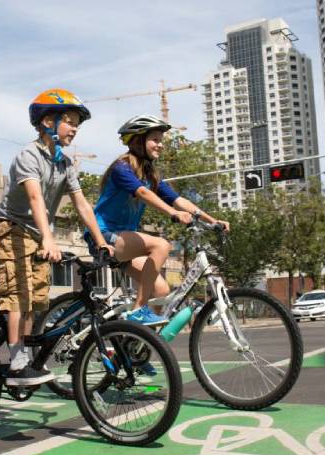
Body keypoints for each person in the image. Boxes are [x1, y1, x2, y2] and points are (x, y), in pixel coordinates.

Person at [0, 88, 113, 386]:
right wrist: (49, 238)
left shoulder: (64, 164)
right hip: (12, 227)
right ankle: (17, 360)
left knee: (37, 297)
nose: (74, 129)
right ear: (48, 121)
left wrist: (101, 241)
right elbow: (34, 198)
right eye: (70, 121)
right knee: (19, 291)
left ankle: (29, 356)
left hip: (37, 231)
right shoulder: (28, 156)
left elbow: (82, 204)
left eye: (77, 124)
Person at [85, 114, 229, 326]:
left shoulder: (150, 174)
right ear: (137, 140)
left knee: (161, 290)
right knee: (161, 245)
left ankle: (135, 347)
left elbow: (179, 200)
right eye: (155, 139)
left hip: (125, 241)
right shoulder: (121, 168)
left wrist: (213, 220)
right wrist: (172, 214)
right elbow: (142, 193)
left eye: (161, 140)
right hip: (104, 236)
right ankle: (138, 310)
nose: (160, 145)